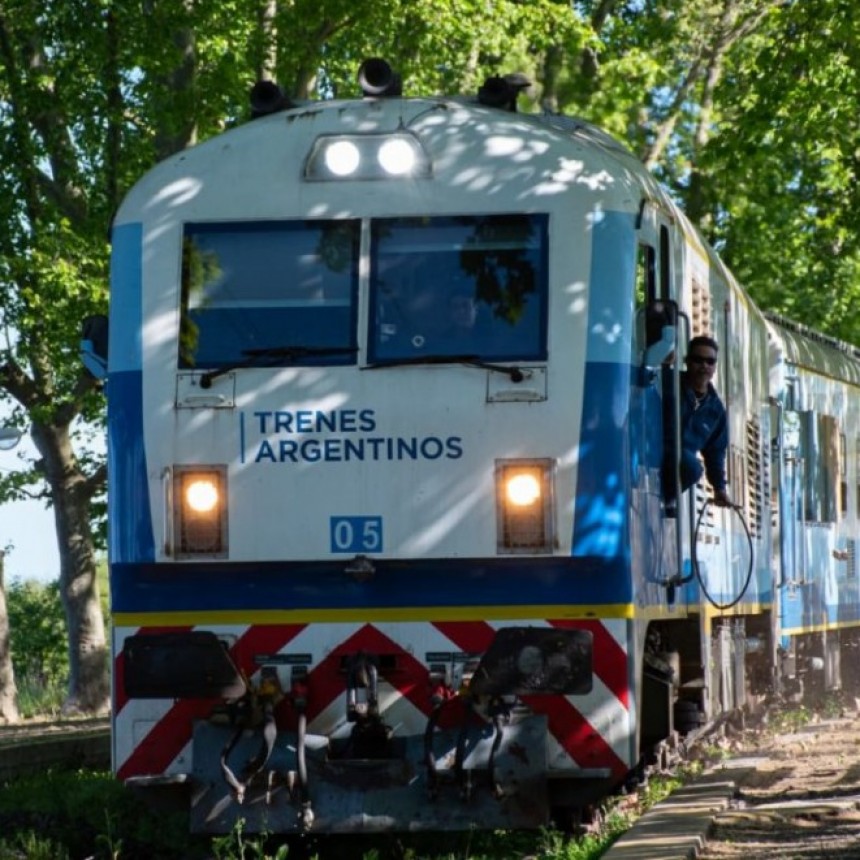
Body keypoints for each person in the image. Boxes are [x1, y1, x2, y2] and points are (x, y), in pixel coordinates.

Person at [677, 335, 732, 507]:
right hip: (656, 453)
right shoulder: (667, 384)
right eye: (698, 360)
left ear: (715, 366)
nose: (704, 366)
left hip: (682, 465)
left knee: (693, 467)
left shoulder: (716, 411)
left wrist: (719, 488)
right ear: (687, 361)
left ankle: (668, 500)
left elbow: (715, 452)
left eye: (710, 361)